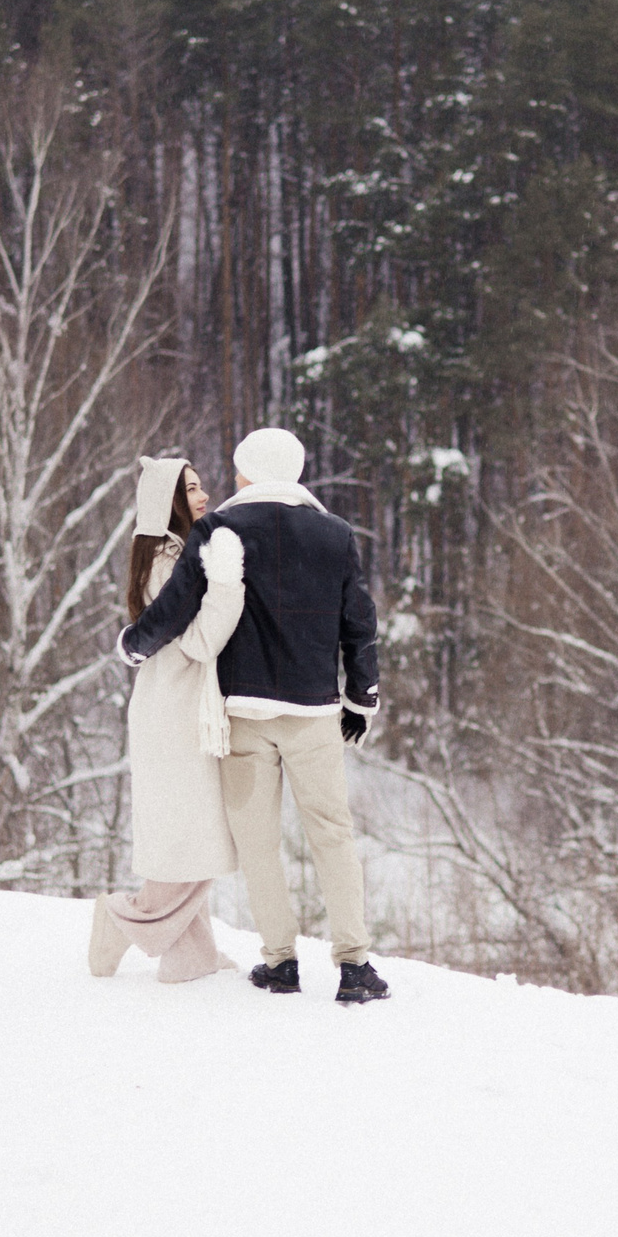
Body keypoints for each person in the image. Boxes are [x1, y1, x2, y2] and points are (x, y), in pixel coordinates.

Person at [118, 427, 389, 1004]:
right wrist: (361, 697)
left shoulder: (220, 529)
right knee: (332, 835)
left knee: (258, 842)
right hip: (314, 712)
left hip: (244, 712)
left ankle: (281, 962)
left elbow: (175, 606)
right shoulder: (335, 534)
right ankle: (354, 966)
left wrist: (134, 643)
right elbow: (359, 623)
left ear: (248, 470)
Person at [87, 457, 246, 983]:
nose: (203, 496)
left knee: (188, 832)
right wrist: (227, 585)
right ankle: (124, 918)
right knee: (193, 832)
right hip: (175, 711)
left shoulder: (169, 553)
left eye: (201, 486)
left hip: (176, 705)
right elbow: (199, 641)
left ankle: (190, 955)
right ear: (167, 500)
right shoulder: (167, 559)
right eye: (190, 489)